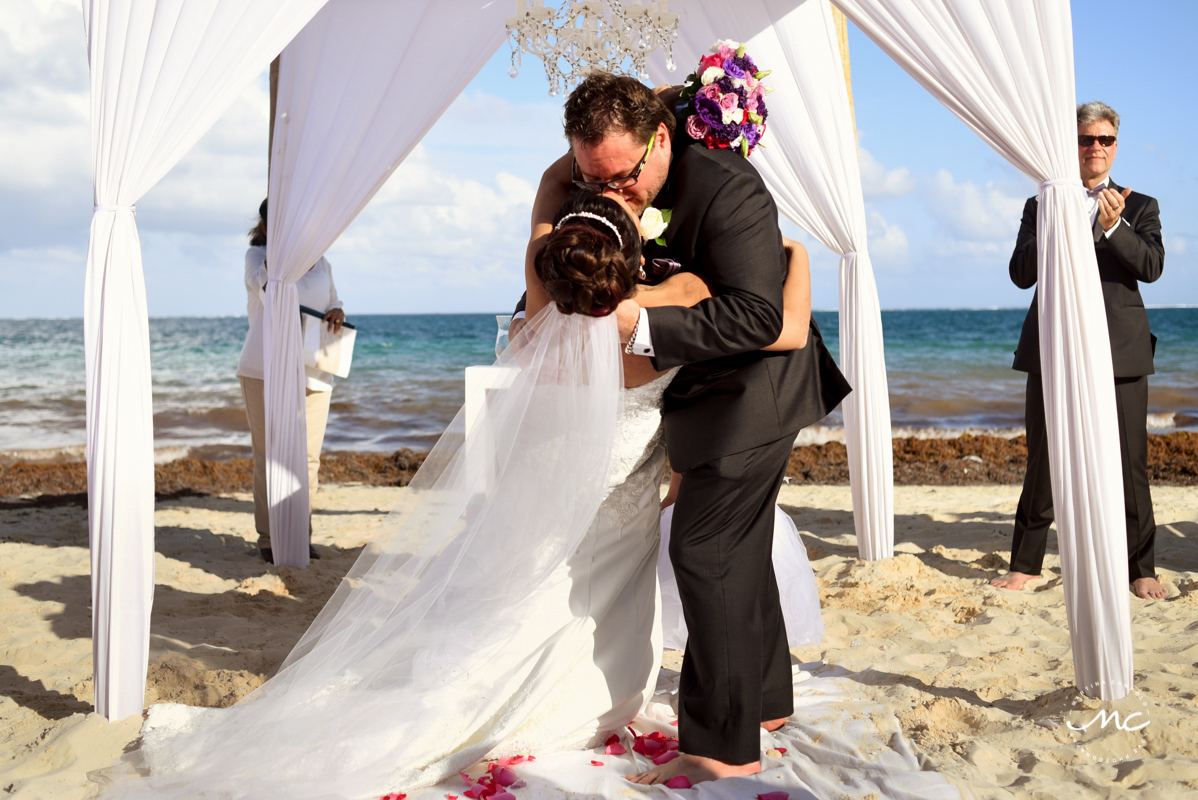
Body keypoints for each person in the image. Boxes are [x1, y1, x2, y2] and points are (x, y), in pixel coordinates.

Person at [524, 73, 849, 786]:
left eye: (620, 178)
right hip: (695, 388)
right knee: (739, 547)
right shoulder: (605, 175)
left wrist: (640, 323)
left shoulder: (727, 190)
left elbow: (761, 319)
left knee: (704, 551)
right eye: (591, 177)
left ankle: (723, 750)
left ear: (660, 140)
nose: (608, 192)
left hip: (756, 390)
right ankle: (764, 701)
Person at [990, 102, 1166, 600]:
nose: (1095, 148)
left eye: (1105, 140)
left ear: (1116, 145)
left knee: (1131, 462)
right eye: (1086, 139)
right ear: (1072, 144)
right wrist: (1061, 221)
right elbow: (1021, 273)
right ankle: (1026, 565)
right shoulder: (1040, 205)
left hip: (1121, 348)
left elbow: (1151, 267)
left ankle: (1141, 569)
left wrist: (1114, 228)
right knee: (1042, 458)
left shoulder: (1142, 204)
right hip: (1054, 343)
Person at [236, 198, 346, 563]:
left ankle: (301, 533)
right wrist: (280, 251)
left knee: (309, 459)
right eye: (278, 225)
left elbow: (334, 300)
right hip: (263, 369)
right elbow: (268, 290)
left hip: (315, 368)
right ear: (266, 228)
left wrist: (337, 311)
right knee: (268, 456)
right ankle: (269, 539)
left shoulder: (323, 263)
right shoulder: (258, 257)